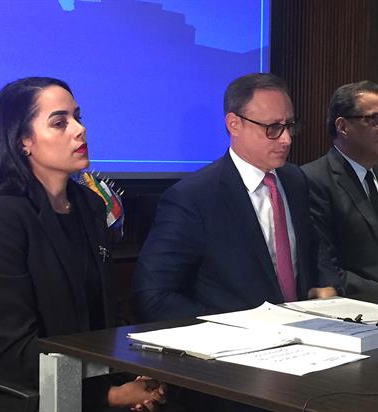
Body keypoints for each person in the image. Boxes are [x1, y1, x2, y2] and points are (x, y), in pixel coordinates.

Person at [0, 77, 165, 411]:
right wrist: (107, 397)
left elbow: (105, 316)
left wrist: (133, 374)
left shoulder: (90, 204)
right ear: (23, 141)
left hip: (87, 378)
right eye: (59, 123)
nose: (79, 130)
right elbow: (11, 346)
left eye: (77, 118)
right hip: (16, 393)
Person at [132, 73, 339, 323]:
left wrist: (328, 286)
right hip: (235, 339)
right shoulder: (194, 197)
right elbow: (154, 296)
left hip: (306, 330)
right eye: (273, 128)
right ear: (234, 124)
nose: (286, 139)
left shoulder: (295, 180)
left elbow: (314, 247)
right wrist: (234, 326)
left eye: (290, 126)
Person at [302, 81, 378, 303]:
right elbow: (328, 271)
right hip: (366, 306)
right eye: (374, 119)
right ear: (343, 127)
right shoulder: (313, 180)